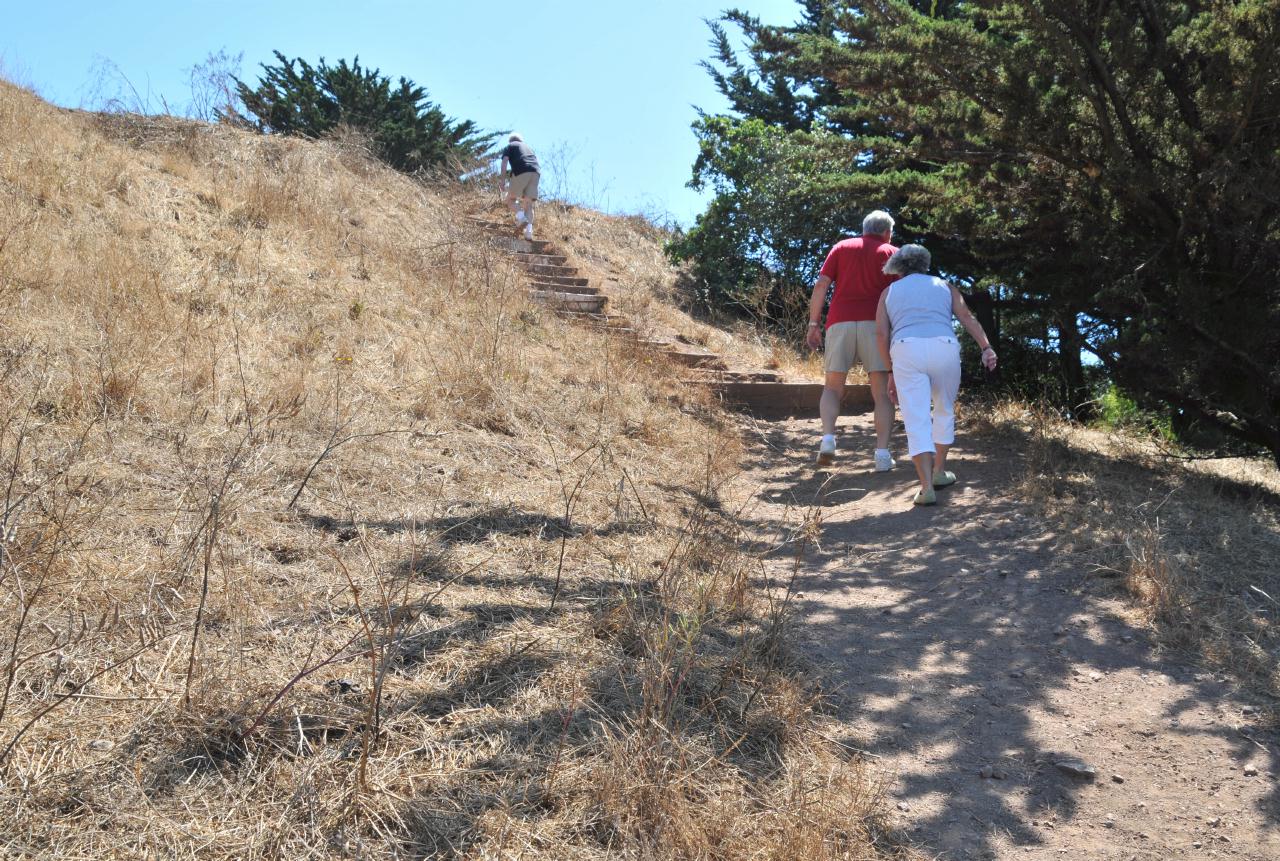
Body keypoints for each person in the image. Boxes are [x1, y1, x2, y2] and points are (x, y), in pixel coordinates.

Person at [874, 244, 998, 506]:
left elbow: (882, 334)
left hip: (906, 349)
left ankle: (926, 486)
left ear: (898, 268)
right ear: (925, 263)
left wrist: (890, 371)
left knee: (916, 416)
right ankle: (940, 470)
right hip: (945, 346)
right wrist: (986, 348)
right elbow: (966, 316)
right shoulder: (945, 286)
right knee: (944, 409)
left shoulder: (888, 292)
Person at [806, 210, 899, 469]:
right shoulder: (893, 253)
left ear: (864, 228)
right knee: (882, 393)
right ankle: (882, 455)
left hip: (840, 322)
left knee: (832, 387)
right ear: (887, 232)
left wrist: (814, 324)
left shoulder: (841, 247)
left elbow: (821, 285)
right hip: (877, 326)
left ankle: (827, 439)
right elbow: (902, 294)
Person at [500, 133, 540, 241]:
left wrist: (502, 180)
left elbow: (504, 162)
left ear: (511, 141)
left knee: (510, 199)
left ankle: (521, 218)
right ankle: (528, 232)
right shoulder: (528, 148)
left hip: (522, 170)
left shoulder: (510, 146)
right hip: (536, 172)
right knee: (528, 203)